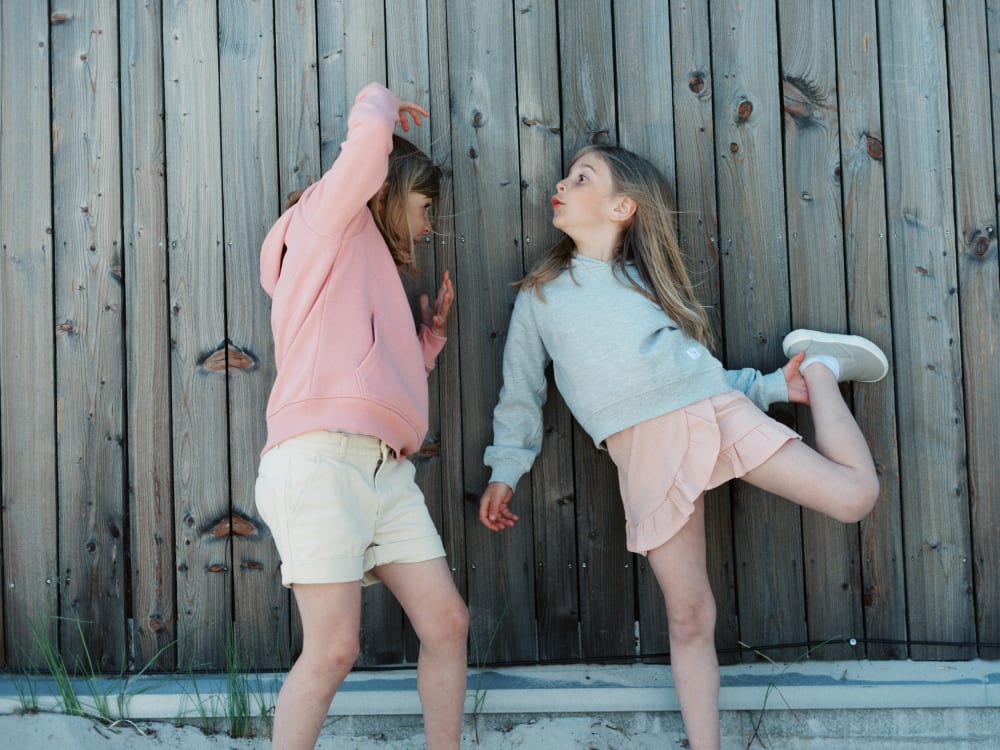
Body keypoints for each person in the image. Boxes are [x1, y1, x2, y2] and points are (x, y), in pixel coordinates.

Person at [478, 144, 886, 750]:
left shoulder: (644, 286)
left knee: (855, 497)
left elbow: (695, 373)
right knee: (690, 616)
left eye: (581, 177)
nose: (561, 184)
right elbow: (520, 394)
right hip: (640, 455)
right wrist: (505, 469)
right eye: (565, 175)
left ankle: (821, 366)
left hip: (710, 413)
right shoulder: (540, 295)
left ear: (623, 207)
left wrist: (778, 384)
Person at [255, 82, 468, 750]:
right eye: (425, 205)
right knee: (333, 649)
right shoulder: (327, 222)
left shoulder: (371, 269)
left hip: (383, 472)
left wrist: (424, 343)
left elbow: (372, 382)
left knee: (448, 625)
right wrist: (377, 100)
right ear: (388, 187)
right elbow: (369, 150)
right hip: (318, 462)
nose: (430, 225)